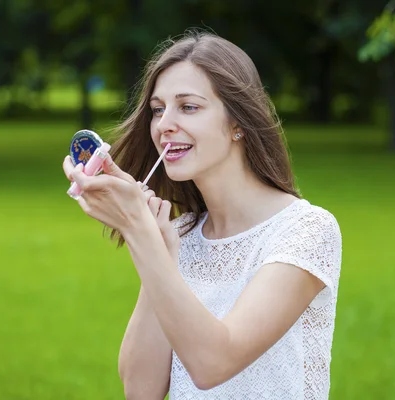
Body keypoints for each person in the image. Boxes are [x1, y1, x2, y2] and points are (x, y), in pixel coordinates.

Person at [62, 30, 342, 400]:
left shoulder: (306, 231)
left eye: (188, 107)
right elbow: (139, 389)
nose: (164, 125)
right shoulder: (180, 234)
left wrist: (140, 231)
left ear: (238, 123)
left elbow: (214, 364)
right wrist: (155, 245)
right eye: (158, 109)